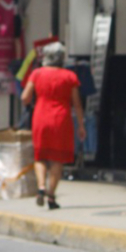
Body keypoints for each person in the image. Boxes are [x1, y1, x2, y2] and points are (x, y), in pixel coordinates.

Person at [20, 42, 86, 210]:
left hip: (40, 117)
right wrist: (81, 125)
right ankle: (51, 195)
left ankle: (41, 187)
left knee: (40, 156)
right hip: (61, 119)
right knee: (57, 158)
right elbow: (77, 104)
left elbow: (24, 98)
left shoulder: (36, 74)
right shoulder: (69, 76)